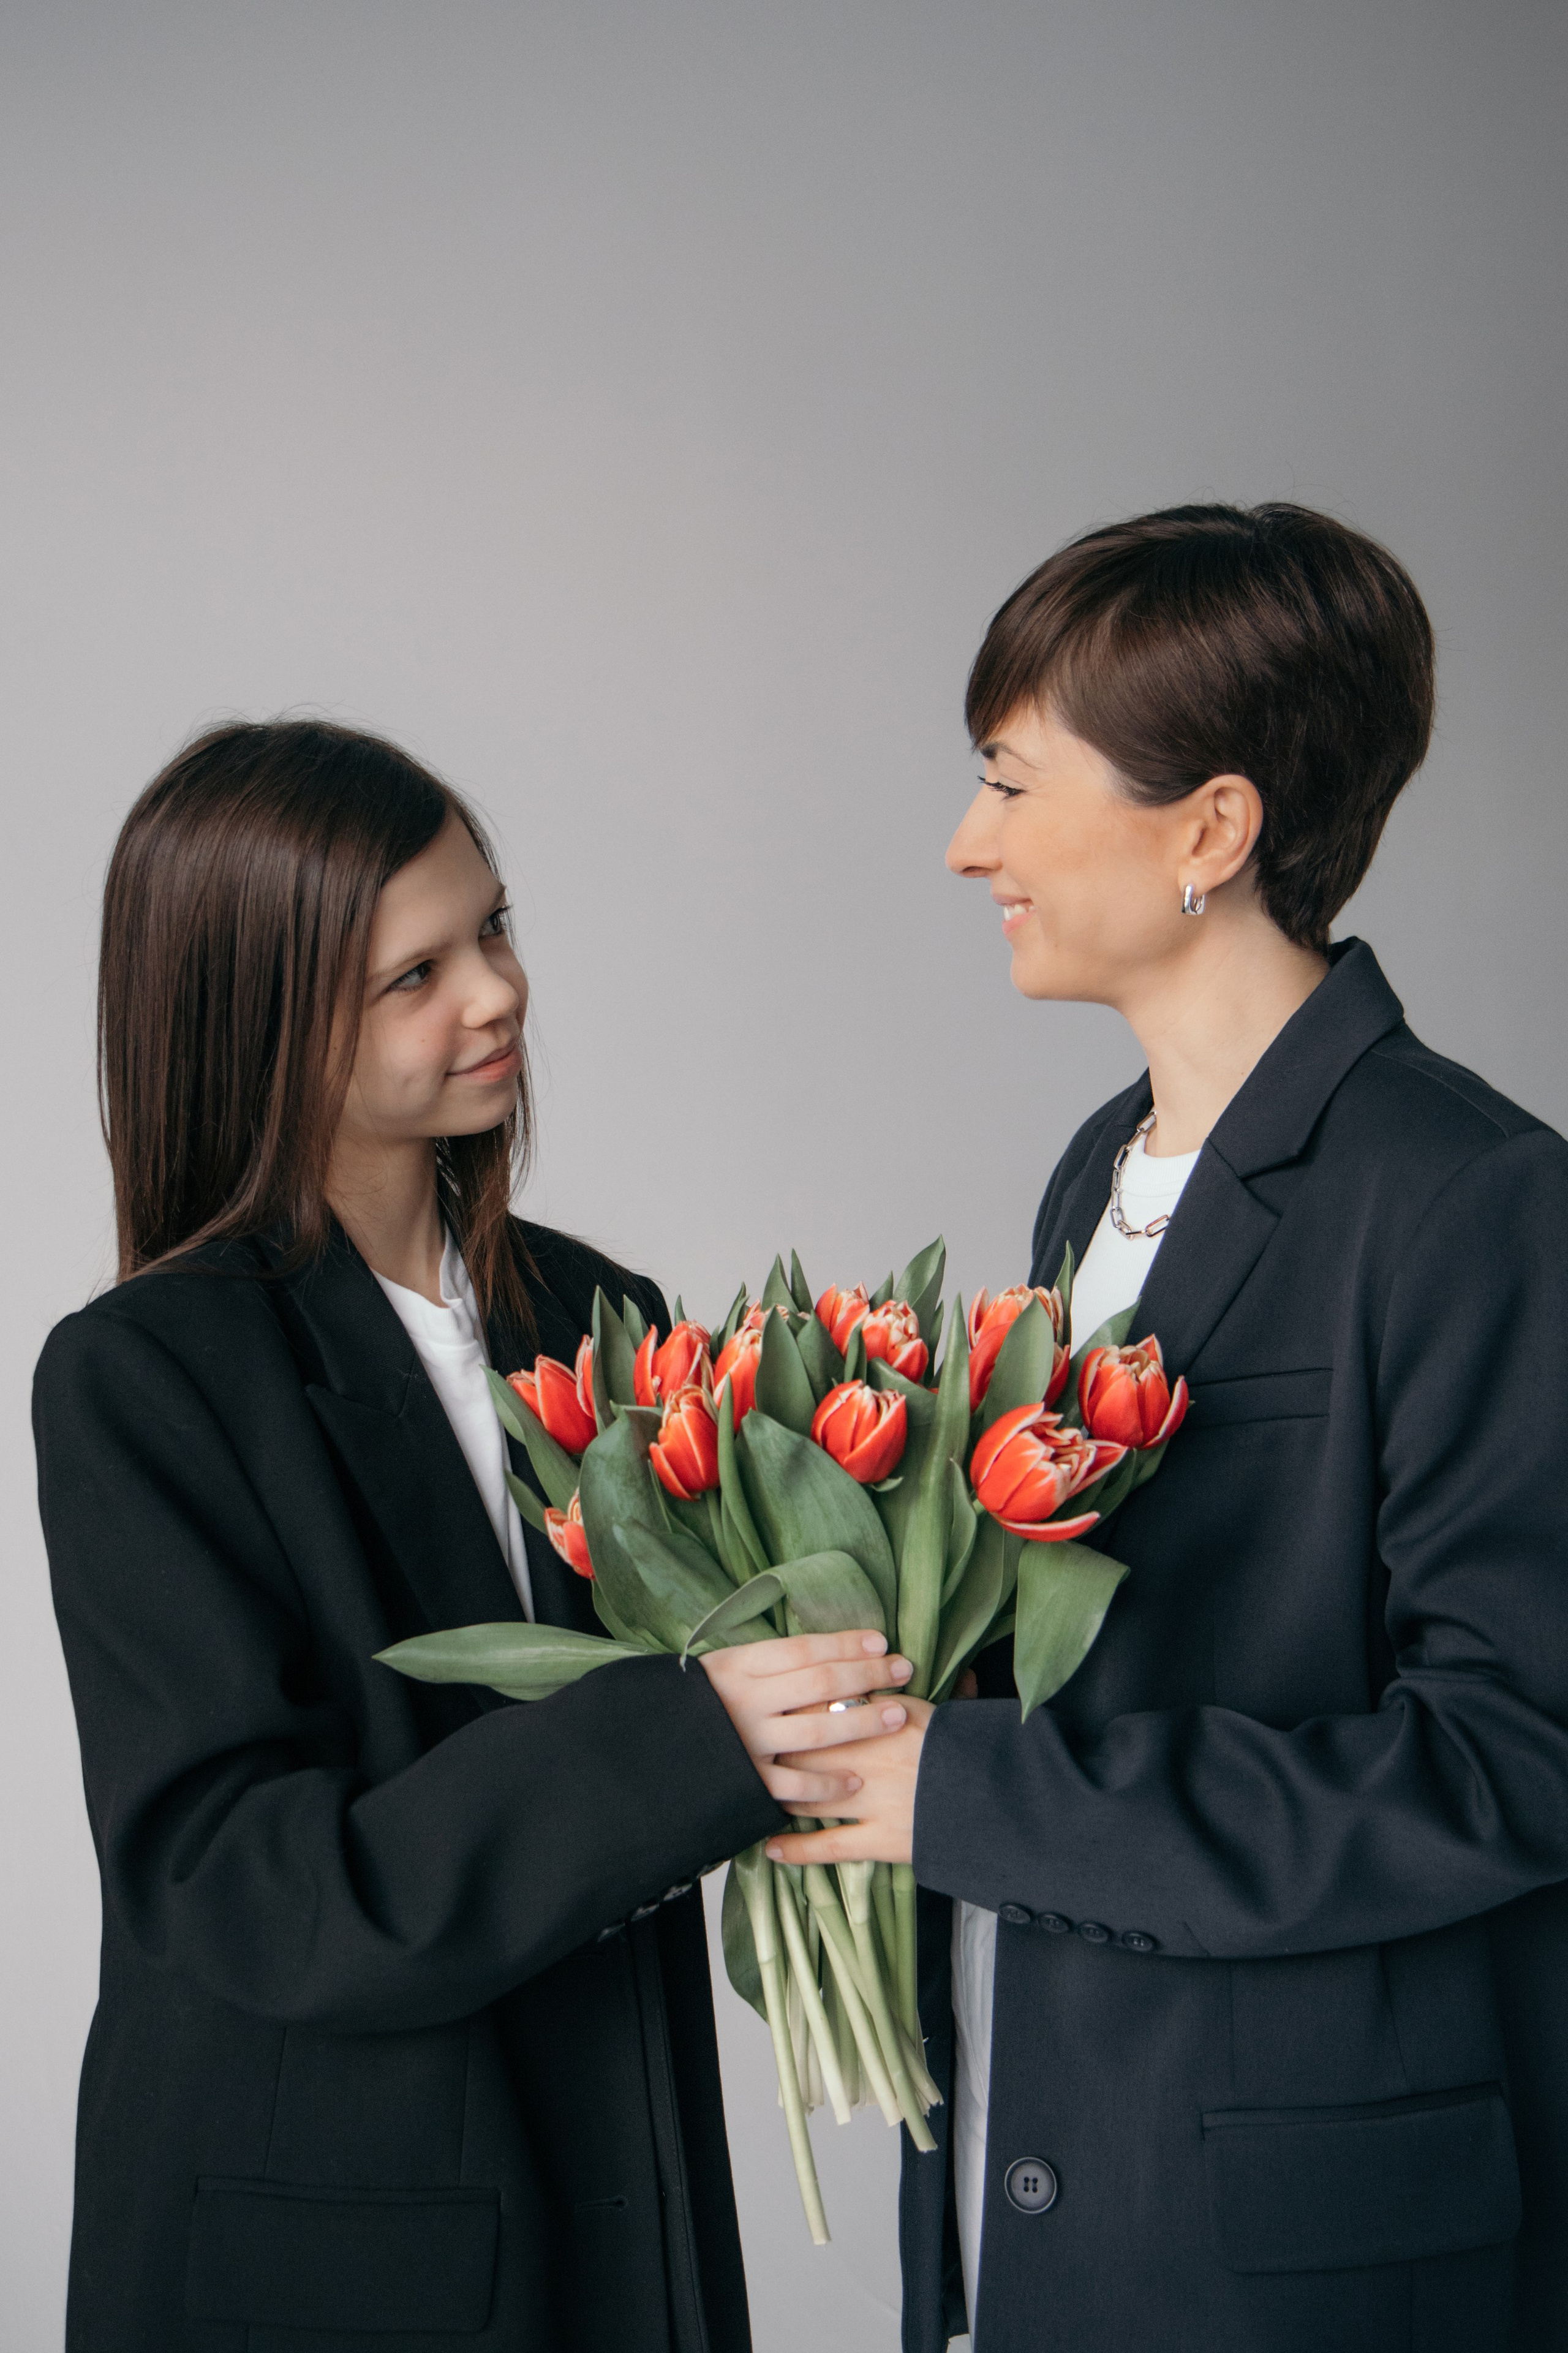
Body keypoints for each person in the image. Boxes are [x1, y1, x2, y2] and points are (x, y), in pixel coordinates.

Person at [766, 506, 1568, 2352]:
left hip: (1297, 2246)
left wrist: (963, 1798)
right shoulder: (1091, 1179)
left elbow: (1510, 1757)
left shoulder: (1470, 1195)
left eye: (1011, 782)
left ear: (1212, 827)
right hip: (1050, 2176)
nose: (973, 844)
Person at [32, 719, 910, 2353]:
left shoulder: (595, 1313)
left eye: (492, 928)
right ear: (266, 1022)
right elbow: (237, 1880)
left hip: (618, 2180)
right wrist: (685, 1741)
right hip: (326, 2246)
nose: (496, 992)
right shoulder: (145, 1374)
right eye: (412, 975)